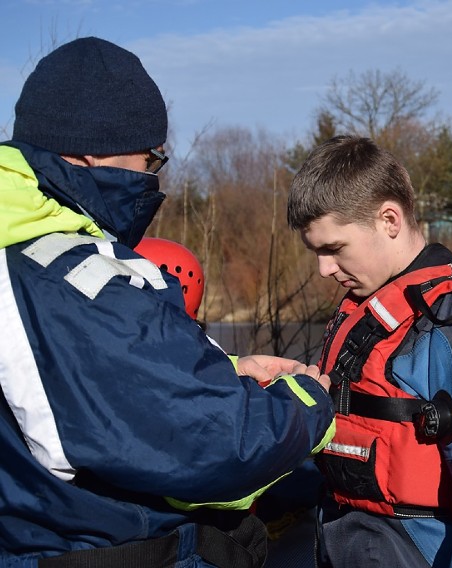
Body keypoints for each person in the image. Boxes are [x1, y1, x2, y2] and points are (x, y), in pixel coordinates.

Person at [0, 37, 335, 566]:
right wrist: (309, 403)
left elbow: (95, 389)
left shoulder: (21, 254)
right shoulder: (72, 275)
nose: (155, 173)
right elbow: (214, 443)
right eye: (152, 156)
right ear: (94, 152)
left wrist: (229, 368)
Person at [287, 135, 452, 567]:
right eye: (317, 253)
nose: (324, 269)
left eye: (333, 249)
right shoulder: (370, 308)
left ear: (389, 219)